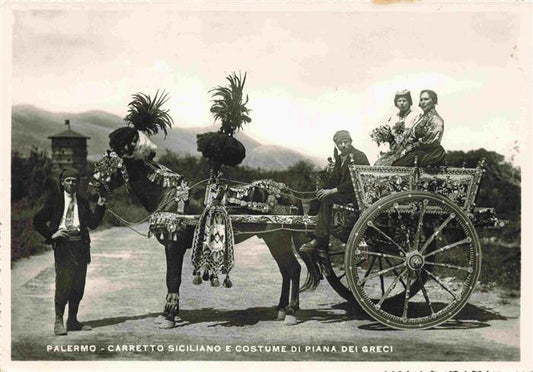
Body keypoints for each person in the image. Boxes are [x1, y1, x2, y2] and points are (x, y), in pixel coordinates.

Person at [33, 168, 106, 335]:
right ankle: (58, 321)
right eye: (68, 180)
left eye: (74, 180)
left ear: (78, 183)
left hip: (81, 246)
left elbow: (93, 224)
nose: (71, 183)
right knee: (64, 283)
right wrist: (52, 235)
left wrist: (101, 207)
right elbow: (37, 220)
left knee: (78, 285)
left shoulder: (82, 202)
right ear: (62, 182)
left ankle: (72, 320)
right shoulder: (54, 201)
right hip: (63, 247)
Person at [301, 130, 369, 260]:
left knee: (327, 200)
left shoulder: (359, 156)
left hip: (355, 195)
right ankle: (313, 237)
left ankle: (319, 239)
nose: (343, 145)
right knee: (316, 201)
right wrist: (323, 190)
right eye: (340, 143)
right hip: (342, 193)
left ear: (351, 142)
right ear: (336, 144)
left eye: (346, 142)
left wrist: (331, 191)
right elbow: (334, 180)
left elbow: (357, 181)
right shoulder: (339, 159)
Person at [392, 89, 446, 166]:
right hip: (417, 151)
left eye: (426, 99)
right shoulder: (421, 117)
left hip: (429, 153)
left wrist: (411, 147)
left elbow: (431, 141)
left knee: (397, 166)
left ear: (434, 101)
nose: (423, 102)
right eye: (421, 100)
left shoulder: (436, 119)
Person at [374, 89, 422, 166]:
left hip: (408, 150)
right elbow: (388, 133)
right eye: (399, 101)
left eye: (404, 100)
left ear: (409, 102)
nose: (402, 103)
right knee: (379, 164)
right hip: (394, 150)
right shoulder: (393, 117)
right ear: (396, 103)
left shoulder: (415, 115)